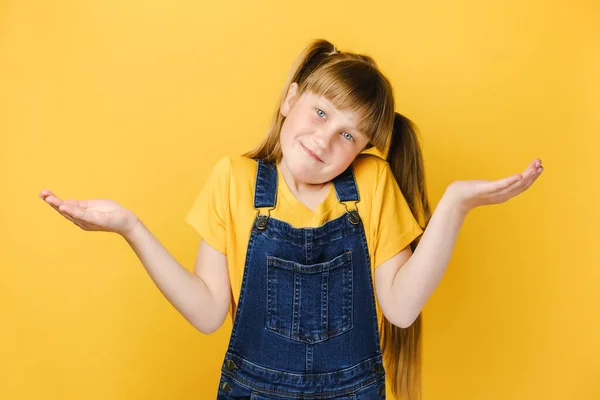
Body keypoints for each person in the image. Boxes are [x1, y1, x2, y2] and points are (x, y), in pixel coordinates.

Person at [39, 38, 543, 399]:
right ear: (290, 99)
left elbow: (402, 308)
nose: (326, 140)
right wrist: (130, 227)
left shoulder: (370, 185)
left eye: (350, 135)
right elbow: (208, 312)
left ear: (364, 149)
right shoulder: (233, 180)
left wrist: (455, 204)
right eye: (322, 113)